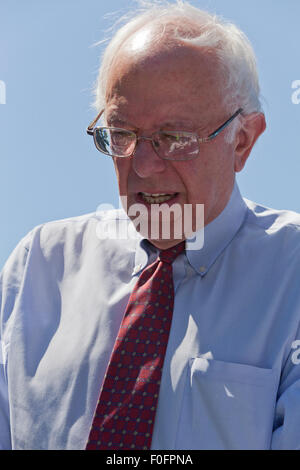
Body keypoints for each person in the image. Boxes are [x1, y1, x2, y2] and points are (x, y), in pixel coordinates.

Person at [1, 0, 300, 451]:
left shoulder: (291, 275)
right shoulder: (39, 266)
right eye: (121, 135)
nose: (143, 165)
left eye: (174, 138)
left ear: (243, 140)